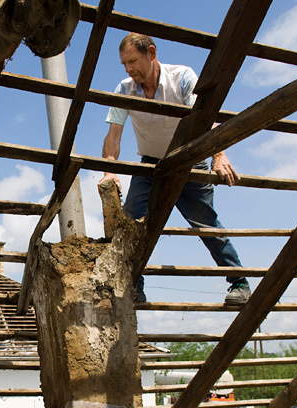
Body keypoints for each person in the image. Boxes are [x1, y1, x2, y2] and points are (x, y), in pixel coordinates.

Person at [99, 32, 251, 306]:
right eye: (124, 64)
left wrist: (219, 154)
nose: (128, 68)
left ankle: (238, 282)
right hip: (151, 165)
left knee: (205, 222)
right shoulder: (124, 89)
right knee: (131, 222)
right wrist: (110, 171)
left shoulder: (182, 78)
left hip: (189, 159)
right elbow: (113, 135)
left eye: (132, 61)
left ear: (152, 53)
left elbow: (207, 119)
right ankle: (134, 286)